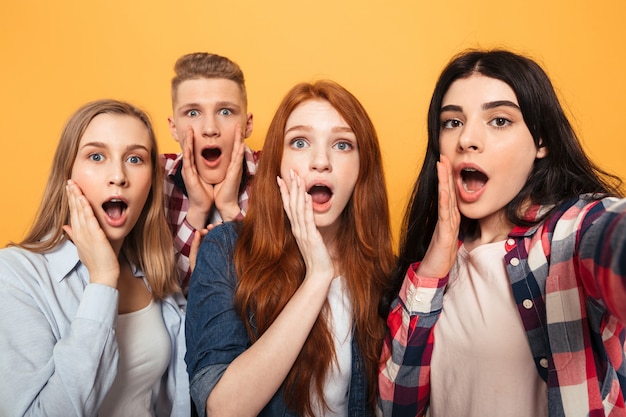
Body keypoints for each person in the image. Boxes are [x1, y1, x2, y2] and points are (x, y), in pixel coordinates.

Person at [377, 49, 626, 417]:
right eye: (452, 122)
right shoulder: (428, 274)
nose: (467, 140)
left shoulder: (569, 233)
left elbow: (611, 237)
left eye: (499, 120)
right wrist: (431, 271)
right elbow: (394, 408)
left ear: (542, 142)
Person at [185, 80, 395, 416]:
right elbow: (223, 408)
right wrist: (318, 276)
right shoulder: (225, 252)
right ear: (277, 163)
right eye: (300, 142)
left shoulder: (382, 272)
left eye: (342, 145)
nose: (321, 162)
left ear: (362, 168)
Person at [0, 99, 190, 416]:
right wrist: (102, 281)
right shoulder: (16, 275)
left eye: (134, 159)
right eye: (96, 156)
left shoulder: (154, 275)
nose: (118, 175)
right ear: (67, 174)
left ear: (151, 184)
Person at [162, 52, 260, 294]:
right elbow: (161, 291)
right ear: (174, 128)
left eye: (225, 112)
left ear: (248, 124)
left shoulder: (277, 174)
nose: (209, 129)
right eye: (193, 113)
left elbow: (271, 288)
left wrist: (229, 209)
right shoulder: (154, 176)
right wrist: (197, 211)